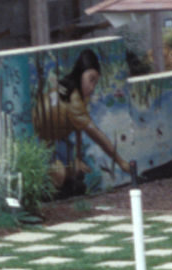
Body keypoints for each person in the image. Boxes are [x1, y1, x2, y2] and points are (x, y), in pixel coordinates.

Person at [34, 48, 136, 197]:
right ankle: (49, 200)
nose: (92, 87)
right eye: (91, 79)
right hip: (38, 142)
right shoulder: (73, 99)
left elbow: (78, 127)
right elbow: (95, 134)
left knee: (77, 169)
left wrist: (78, 158)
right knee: (59, 173)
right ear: (80, 73)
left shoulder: (81, 95)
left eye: (95, 82)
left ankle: (66, 183)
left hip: (54, 141)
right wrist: (121, 162)